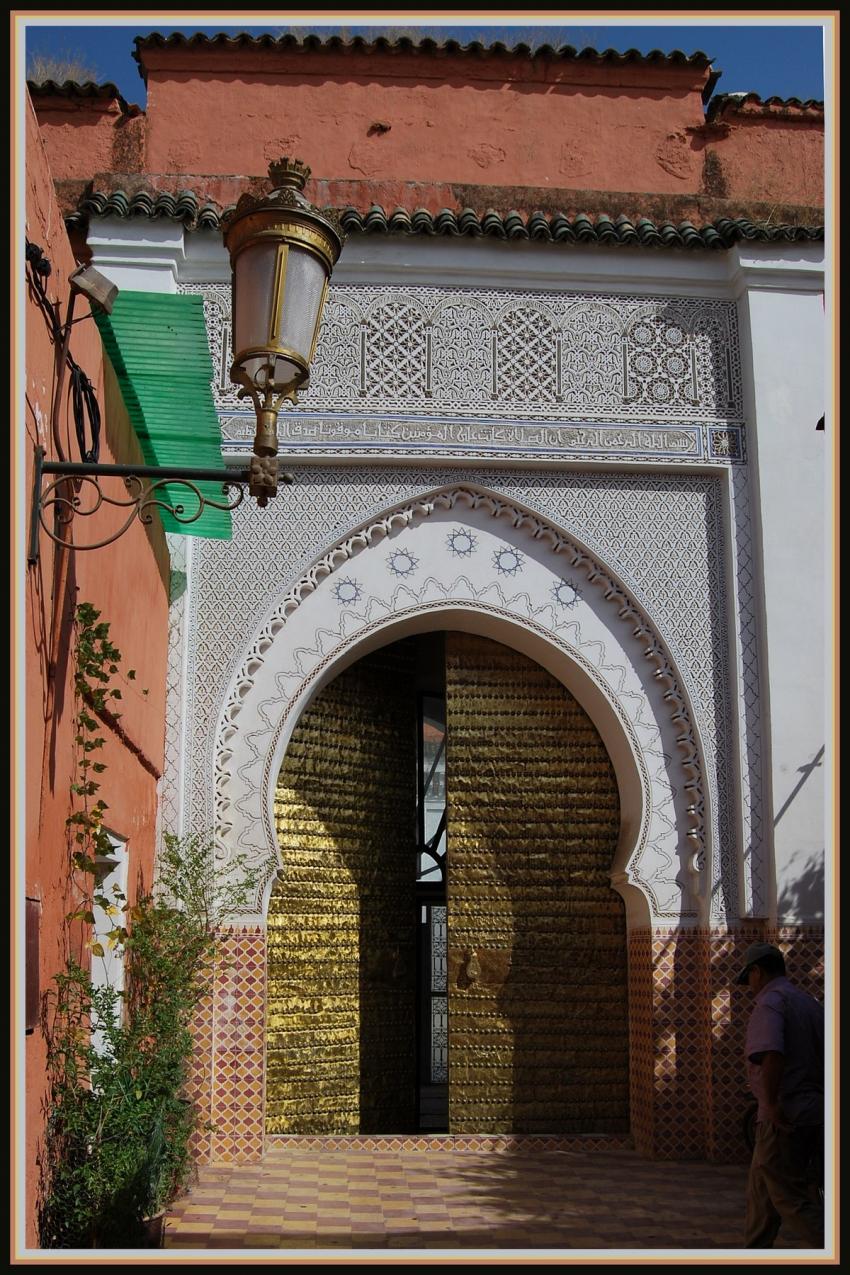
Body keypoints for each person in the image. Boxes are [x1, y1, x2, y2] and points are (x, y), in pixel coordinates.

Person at [736, 941, 824, 1248]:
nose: (748, 986)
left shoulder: (770, 1003)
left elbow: (772, 1053)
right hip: (813, 1111)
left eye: (748, 978)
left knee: (789, 1196)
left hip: (783, 1116)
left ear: (757, 972)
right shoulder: (807, 1002)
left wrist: (771, 1105)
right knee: (761, 1195)